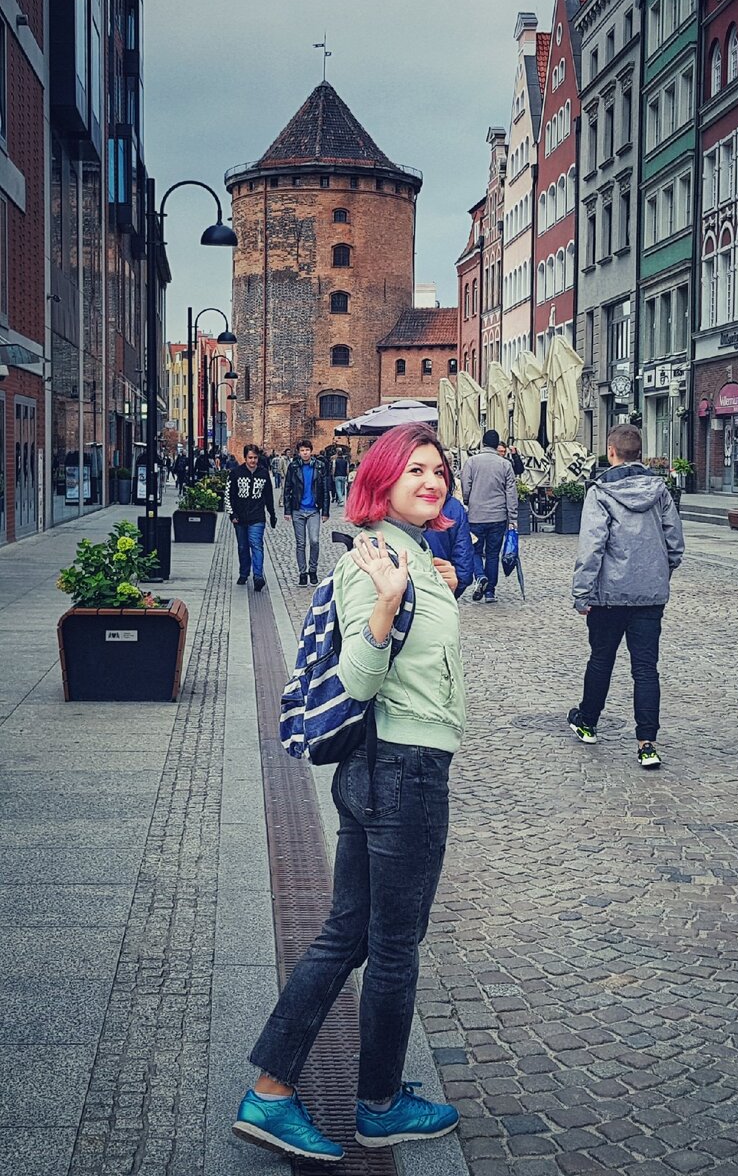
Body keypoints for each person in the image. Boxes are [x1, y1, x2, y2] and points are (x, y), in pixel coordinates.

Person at [233, 423, 464, 1164]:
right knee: (393, 949)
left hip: (376, 772)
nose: (431, 481)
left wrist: (429, 582)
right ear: (383, 480)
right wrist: (392, 603)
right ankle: (379, 1106)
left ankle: (271, 1092)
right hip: (406, 773)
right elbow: (361, 678)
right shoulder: (380, 563)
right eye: (415, 470)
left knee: (348, 935)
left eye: (438, 470)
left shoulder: (408, 554)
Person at [568, 424, 685, 770]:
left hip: (609, 596)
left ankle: (587, 721)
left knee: (601, 659)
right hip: (649, 595)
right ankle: (647, 743)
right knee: (646, 669)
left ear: (611, 452)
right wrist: (662, 570)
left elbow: (592, 547)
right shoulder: (659, 490)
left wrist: (581, 593)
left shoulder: (601, 492)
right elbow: (674, 541)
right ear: (640, 454)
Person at [460, 428, 517, 604]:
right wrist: (513, 518)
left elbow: (465, 487)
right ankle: (490, 592)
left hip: (476, 516)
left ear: (483, 443)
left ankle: (480, 576)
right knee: (493, 554)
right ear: (497, 444)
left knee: (475, 550)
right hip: (498, 516)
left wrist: (470, 500)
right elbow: (511, 493)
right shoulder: (505, 464)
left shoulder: (471, 462)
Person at [226, 444, 277, 591]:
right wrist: (232, 514)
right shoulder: (236, 473)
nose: (253, 461)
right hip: (240, 517)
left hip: (257, 516)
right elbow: (229, 495)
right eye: (250, 458)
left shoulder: (263, 473)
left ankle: (258, 576)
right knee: (243, 547)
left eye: (255, 458)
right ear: (245, 457)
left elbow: (268, 495)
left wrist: (272, 513)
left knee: (256, 545)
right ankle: (244, 572)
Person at [284, 439, 332, 586]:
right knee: (300, 543)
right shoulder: (293, 466)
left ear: (311, 451)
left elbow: (325, 489)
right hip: (298, 509)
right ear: (299, 452)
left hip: (313, 510)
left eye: (307, 450)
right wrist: (287, 510)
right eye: (302, 450)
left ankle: (313, 569)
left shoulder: (319, 466)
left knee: (314, 540)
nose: (305, 453)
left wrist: (325, 511)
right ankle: (302, 573)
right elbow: (287, 488)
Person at [424, 474, 477, 599]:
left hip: (441, 585)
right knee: (492, 554)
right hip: (440, 591)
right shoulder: (453, 507)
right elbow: (463, 558)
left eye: (438, 472)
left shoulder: (452, 507)